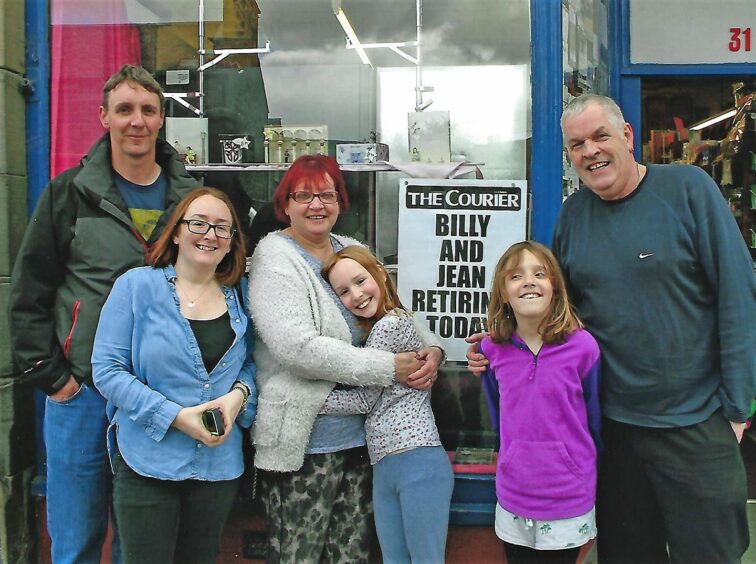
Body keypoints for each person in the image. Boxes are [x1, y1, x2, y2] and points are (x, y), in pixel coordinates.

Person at [470, 93, 756, 563]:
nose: (590, 151)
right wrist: (500, 342)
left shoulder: (689, 190)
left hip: (697, 424)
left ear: (626, 137)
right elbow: (555, 316)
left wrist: (737, 409)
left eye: (600, 136)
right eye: (577, 144)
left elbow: (739, 298)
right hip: (613, 432)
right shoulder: (574, 215)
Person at [8, 64, 197, 563]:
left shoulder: (192, 199)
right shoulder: (68, 194)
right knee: (76, 538)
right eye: (125, 109)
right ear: (104, 118)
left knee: (143, 544)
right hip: (83, 391)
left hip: (159, 397)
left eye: (148, 110)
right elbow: (29, 292)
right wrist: (53, 378)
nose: (137, 121)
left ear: (162, 120)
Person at [248, 154, 445, 563]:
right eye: (304, 195)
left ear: (341, 201)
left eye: (327, 194)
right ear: (285, 204)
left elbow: (393, 310)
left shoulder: (351, 249)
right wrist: (389, 368)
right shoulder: (275, 257)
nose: (316, 205)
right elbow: (297, 348)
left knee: (350, 556)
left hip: (362, 443)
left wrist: (432, 350)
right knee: (297, 556)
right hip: (305, 446)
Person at [91, 187, 256, 564]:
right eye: (198, 223)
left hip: (218, 467)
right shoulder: (135, 287)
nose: (209, 234)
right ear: (177, 232)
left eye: (221, 228)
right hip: (148, 461)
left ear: (232, 243)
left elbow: (253, 364)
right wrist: (176, 417)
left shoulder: (242, 294)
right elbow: (107, 370)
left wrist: (237, 399)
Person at [318, 245, 454, 563]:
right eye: (343, 291)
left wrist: (312, 403)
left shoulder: (389, 326)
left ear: (380, 273)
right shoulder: (383, 329)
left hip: (417, 460)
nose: (356, 294)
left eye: (360, 280)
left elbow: (366, 398)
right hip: (386, 465)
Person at [479, 241, 600, 564]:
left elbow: (595, 417)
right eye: (515, 276)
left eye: (539, 274)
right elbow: (497, 413)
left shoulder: (583, 348)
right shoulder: (492, 349)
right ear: (504, 293)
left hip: (567, 496)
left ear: (555, 288)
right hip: (514, 494)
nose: (529, 281)